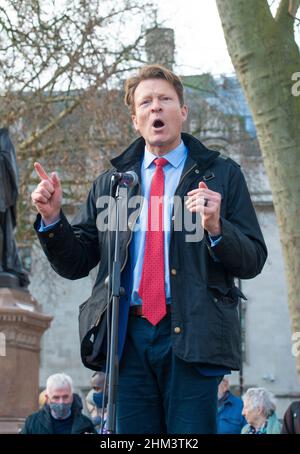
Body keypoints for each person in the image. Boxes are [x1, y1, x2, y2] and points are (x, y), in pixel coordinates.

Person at [31, 64, 267, 434]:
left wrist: (217, 228)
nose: (156, 108)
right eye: (146, 102)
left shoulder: (221, 175)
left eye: (165, 100)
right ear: (135, 119)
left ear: (182, 112)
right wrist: (52, 219)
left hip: (193, 334)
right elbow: (77, 262)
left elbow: (253, 258)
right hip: (128, 336)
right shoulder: (112, 185)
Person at [21, 373, 96, 434]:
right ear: (47, 398)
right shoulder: (32, 422)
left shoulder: (85, 424)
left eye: (65, 397)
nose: (61, 402)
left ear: (72, 396)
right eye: (56, 397)